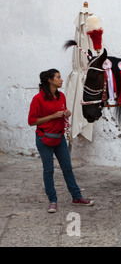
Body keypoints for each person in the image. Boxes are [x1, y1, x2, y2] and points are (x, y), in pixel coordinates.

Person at [28, 69, 94, 213]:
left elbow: (60, 114)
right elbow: (32, 121)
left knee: (67, 168)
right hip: (44, 138)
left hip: (59, 138)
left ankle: (76, 197)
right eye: (58, 77)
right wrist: (52, 116)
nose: (61, 80)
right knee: (48, 170)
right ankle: (52, 200)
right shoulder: (37, 99)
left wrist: (65, 114)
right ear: (50, 80)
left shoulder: (62, 96)